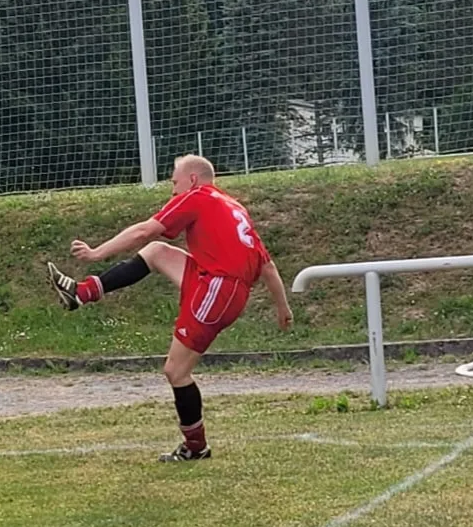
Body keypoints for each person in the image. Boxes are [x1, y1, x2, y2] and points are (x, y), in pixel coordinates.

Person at [47, 154, 293, 462]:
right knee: (157, 252)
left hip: (217, 288)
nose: (173, 189)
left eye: (175, 181)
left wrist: (97, 253)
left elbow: (144, 230)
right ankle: (81, 293)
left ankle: (196, 447)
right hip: (217, 282)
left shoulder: (197, 196)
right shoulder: (232, 206)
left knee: (176, 371)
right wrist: (283, 309)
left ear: (193, 179)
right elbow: (267, 266)